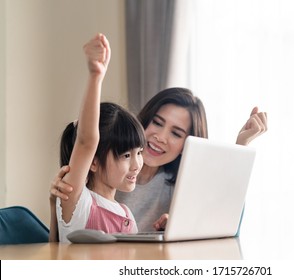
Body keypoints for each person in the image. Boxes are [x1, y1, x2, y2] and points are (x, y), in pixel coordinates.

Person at [50, 51, 268, 241]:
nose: (160, 137)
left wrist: (242, 144)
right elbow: (87, 141)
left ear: (186, 144)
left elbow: (220, 214)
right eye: (157, 122)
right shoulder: (86, 196)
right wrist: (56, 205)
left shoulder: (138, 206)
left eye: (176, 133)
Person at [54, 34, 146, 243]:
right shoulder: (78, 202)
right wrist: (96, 76)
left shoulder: (127, 214)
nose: (137, 164)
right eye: (125, 155)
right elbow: (86, 141)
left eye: (139, 153)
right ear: (94, 162)